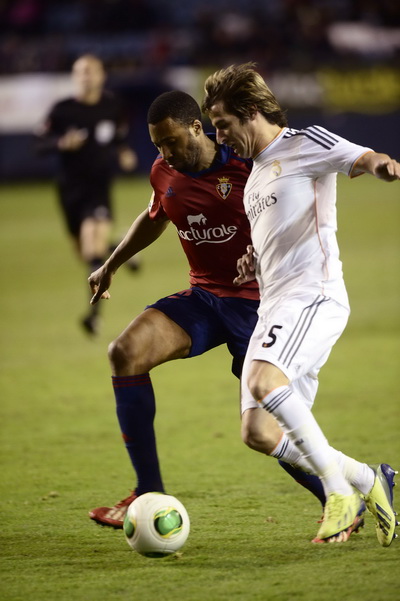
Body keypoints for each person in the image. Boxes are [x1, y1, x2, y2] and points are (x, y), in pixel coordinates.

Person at [87, 91, 389, 539]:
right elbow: (156, 215)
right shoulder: (164, 171)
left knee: (266, 426)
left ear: (196, 128)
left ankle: (338, 495)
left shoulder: (249, 162)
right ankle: (148, 490)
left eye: (171, 141)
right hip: (205, 298)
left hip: (262, 304)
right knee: (124, 352)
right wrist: (110, 264)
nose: (165, 154)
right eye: (157, 146)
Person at [202, 62, 399, 545]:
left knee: (266, 381)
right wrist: (254, 261)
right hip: (276, 305)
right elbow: (274, 239)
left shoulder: (303, 142)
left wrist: (381, 165)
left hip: (314, 296)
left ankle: (337, 492)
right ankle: (370, 480)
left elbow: (362, 156)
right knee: (258, 432)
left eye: (224, 125)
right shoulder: (252, 178)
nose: (221, 137)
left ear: (250, 112)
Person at [35, 54, 139, 335]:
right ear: (74, 76)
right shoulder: (63, 110)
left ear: (102, 75)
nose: (86, 76)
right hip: (70, 190)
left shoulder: (113, 106)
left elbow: (117, 136)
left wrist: (124, 151)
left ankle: (93, 316)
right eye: (80, 72)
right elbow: (39, 144)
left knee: (93, 249)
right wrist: (60, 142)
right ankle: (122, 249)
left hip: (98, 187)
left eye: (91, 71)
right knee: (86, 253)